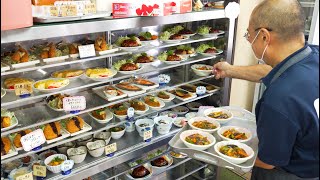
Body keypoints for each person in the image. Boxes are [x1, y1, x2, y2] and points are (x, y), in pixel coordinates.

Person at [213, 0, 319, 179]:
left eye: (248, 34)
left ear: (263, 36)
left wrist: (216, 147)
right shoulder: (312, 55)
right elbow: (277, 72)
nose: (249, 39)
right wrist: (229, 70)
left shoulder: (278, 99)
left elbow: (268, 161)